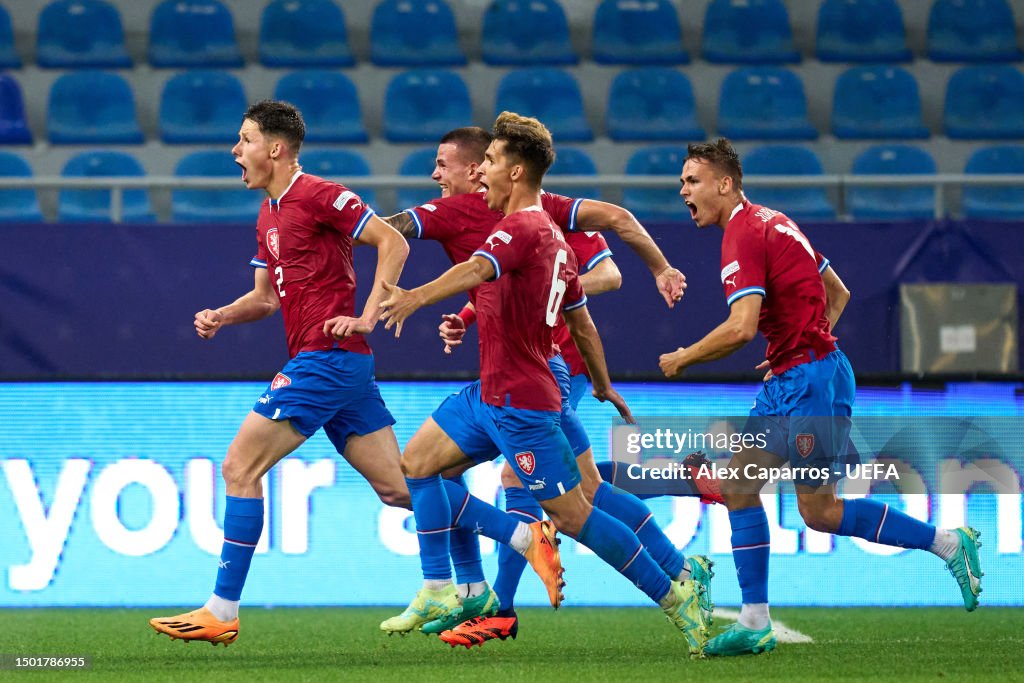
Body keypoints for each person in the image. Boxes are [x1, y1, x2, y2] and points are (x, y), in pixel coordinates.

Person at [377, 112, 713, 656]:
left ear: (515, 172)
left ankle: (675, 595)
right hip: (490, 393)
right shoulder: (555, 236)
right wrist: (602, 385)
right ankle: (445, 587)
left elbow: (476, 270)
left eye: (489, 161)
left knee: (575, 514)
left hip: (522, 402)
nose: (481, 170)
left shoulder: (521, 227)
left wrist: (415, 296)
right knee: (416, 466)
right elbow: (580, 322)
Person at [658, 138, 984, 657]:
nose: (682, 191)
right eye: (681, 182)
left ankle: (947, 543)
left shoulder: (742, 233)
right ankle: (755, 622)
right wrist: (800, 342)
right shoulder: (776, 219)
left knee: (821, 513)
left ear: (725, 184)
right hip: (800, 375)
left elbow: (742, 329)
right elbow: (839, 293)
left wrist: (684, 357)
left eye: (691, 181)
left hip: (810, 384)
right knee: (741, 487)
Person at [149, 100, 411, 646]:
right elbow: (266, 300)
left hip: (324, 358)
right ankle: (524, 531)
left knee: (239, 467)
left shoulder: (318, 194)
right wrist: (222, 314)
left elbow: (394, 241)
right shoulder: (268, 214)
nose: (234, 151)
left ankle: (221, 610)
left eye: (243, 140)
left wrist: (368, 313)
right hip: (342, 367)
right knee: (400, 490)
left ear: (275, 148)